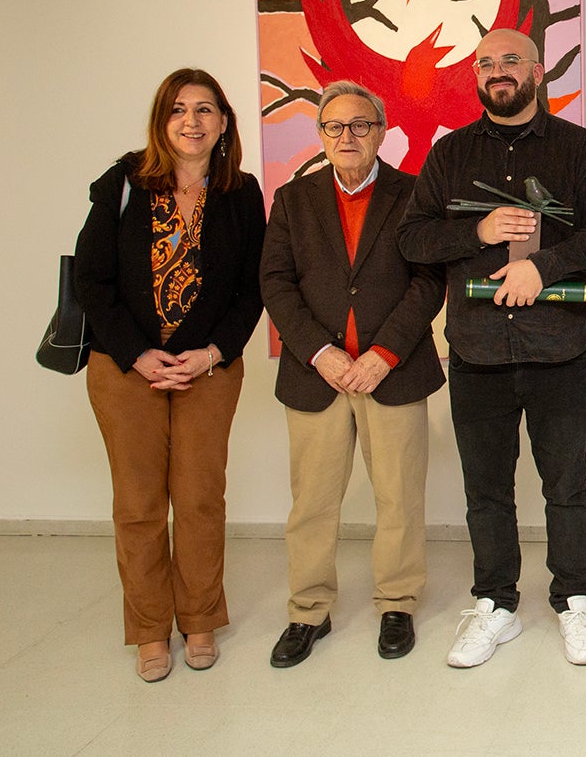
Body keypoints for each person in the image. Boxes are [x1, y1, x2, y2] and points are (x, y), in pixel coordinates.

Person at [399, 28, 586, 669]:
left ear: (536, 71)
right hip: (476, 351)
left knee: (565, 483)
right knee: (486, 489)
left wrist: (543, 266)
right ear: (476, 76)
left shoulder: (579, 149)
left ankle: (575, 599)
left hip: (562, 349)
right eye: (486, 63)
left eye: (510, 61)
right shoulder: (448, 155)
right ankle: (496, 605)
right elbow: (413, 241)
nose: (498, 71)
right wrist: (478, 228)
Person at [74, 68, 265, 682]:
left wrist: (212, 353)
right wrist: (136, 352)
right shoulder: (124, 183)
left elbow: (252, 290)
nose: (192, 121)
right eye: (179, 109)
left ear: (224, 122)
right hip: (126, 369)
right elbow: (92, 280)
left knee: (200, 498)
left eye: (205, 109)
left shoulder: (241, 192)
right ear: (162, 120)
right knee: (138, 503)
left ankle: (201, 618)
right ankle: (150, 630)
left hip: (208, 369)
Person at [260, 81, 446, 667]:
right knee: (312, 503)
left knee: (399, 498)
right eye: (334, 126)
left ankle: (397, 602)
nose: (348, 136)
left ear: (381, 130)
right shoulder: (292, 200)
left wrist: (383, 353)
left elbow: (428, 281)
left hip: (391, 372)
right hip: (317, 375)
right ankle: (307, 611)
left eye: (360, 125)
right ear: (319, 135)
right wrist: (321, 352)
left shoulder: (415, 195)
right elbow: (276, 283)